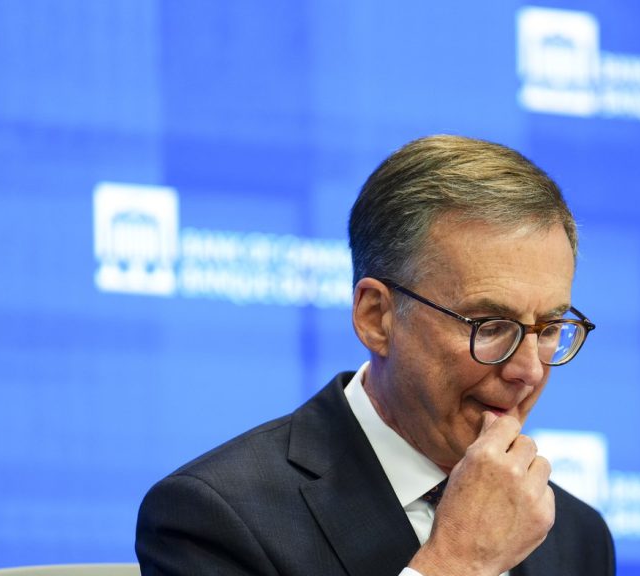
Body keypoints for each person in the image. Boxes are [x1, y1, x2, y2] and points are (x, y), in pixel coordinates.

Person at [135, 135, 615, 576]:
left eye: (550, 328)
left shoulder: (575, 536)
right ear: (376, 317)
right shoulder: (214, 517)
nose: (528, 370)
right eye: (489, 326)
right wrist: (459, 561)